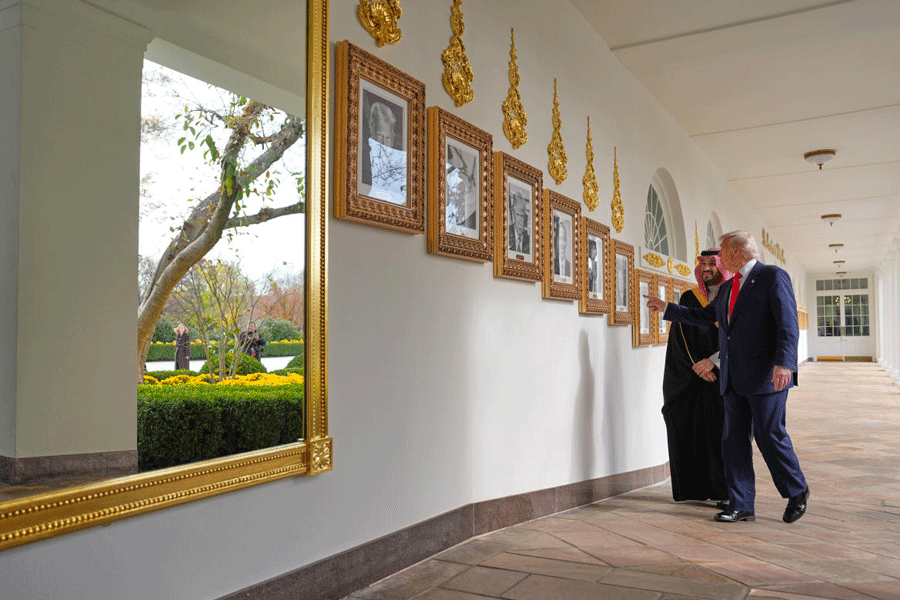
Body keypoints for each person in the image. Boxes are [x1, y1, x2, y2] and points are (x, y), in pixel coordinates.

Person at [646, 231, 808, 524]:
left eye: (722, 250)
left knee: (769, 435)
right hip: (732, 378)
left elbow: (788, 324)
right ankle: (741, 503)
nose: (718, 257)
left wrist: (785, 363)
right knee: (733, 440)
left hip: (766, 377)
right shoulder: (730, 286)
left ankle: (797, 490)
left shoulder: (772, 276)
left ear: (736, 252)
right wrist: (668, 308)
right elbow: (707, 317)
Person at [662, 248, 732, 509]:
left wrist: (714, 364)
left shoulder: (734, 297)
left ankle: (726, 491)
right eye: (702, 264)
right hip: (694, 377)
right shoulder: (689, 298)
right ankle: (696, 487)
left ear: (722, 267)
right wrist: (699, 367)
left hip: (725, 377)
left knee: (723, 435)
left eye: (711, 264)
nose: (706, 269)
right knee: (690, 429)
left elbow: (738, 338)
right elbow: (680, 339)